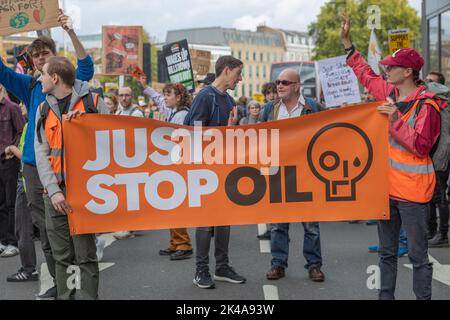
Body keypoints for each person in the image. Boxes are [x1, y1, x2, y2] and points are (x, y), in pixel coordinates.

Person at [341, 14, 446, 300]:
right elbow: (365, 74)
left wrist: (393, 121)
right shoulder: (388, 92)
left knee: (417, 256)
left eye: (392, 67)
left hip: (413, 193)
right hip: (385, 191)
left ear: (408, 72)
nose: (386, 70)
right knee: (387, 254)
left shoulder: (428, 105)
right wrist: (348, 44)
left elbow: (422, 145)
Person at [0, 9, 94, 299]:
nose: (41, 58)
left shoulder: (67, 80)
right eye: (36, 54)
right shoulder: (30, 85)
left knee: (76, 231)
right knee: (48, 233)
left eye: (45, 53)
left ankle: (81, 281)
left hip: (70, 167)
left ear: (54, 58)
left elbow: (86, 67)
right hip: (34, 165)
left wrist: (71, 32)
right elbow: (2, 72)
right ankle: (59, 283)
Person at [35, 56, 109, 300]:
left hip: (85, 194)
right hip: (54, 194)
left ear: (55, 78)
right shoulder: (43, 108)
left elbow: (113, 142)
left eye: (43, 74)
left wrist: (88, 127)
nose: (39, 79)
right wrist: (53, 190)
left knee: (86, 255)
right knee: (62, 256)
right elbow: (41, 153)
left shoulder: (94, 102)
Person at [184, 55, 246, 289]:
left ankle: (222, 266)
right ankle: (201, 270)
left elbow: (231, 138)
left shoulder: (230, 102)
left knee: (224, 220)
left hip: (224, 169)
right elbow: (193, 134)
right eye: (238, 73)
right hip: (205, 170)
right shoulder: (204, 97)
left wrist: (230, 130)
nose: (240, 79)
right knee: (206, 221)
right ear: (227, 71)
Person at [262, 69, 325, 283]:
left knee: (310, 225)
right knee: (279, 224)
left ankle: (314, 265)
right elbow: (259, 137)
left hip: (307, 173)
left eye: (285, 83)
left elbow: (330, 131)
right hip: (278, 173)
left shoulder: (313, 107)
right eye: (278, 82)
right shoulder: (270, 109)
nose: (279, 86)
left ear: (297, 86)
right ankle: (278, 264)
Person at [141, 77, 194, 260]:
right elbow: (157, 100)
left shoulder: (181, 115)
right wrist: (145, 87)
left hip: (178, 164)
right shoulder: (173, 111)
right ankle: (175, 242)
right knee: (171, 205)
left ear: (178, 97)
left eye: (168, 95)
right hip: (172, 163)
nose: (164, 98)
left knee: (176, 205)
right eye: (164, 94)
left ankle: (183, 244)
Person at [113, 86, 144, 240]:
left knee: (132, 193)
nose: (124, 98)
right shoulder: (118, 112)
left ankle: (131, 225)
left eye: (127, 95)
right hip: (121, 157)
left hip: (134, 158)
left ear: (131, 97)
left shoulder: (136, 113)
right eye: (121, 95)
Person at [0, 85, 25, 258]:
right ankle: (2, 240)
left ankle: (12, 242)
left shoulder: (12, 108)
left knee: (10, 203)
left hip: (8, 160)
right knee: (1, 203)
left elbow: (21, 131)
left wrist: (12, 148)